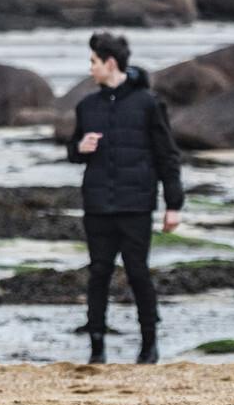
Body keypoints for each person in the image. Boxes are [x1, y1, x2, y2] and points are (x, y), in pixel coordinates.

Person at [66, 31, 184, 365]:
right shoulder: (86, 106)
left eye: (93, 62)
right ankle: (96, 347)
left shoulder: (148, 103)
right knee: (99, 272)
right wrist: (80, 148)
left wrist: (174, 204)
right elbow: (72, 151)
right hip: (98, 204)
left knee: (138, 273)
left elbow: (167, 155)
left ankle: (149, 345)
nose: (90, 69)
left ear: (110, 63)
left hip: (136, 204)